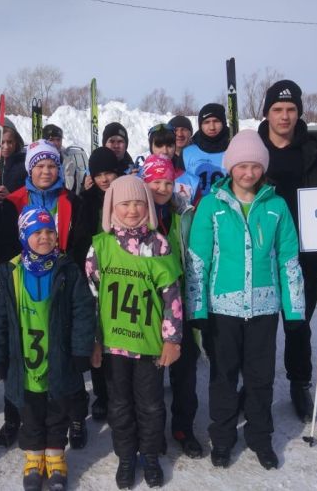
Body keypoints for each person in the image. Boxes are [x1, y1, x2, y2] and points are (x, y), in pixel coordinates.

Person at [186, 129, 305, 470]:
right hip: (223, 310)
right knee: (223, 377)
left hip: (265, 309)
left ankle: (260, 437)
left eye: (255, 166)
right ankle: (222, 439)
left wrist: (294, 309)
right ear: (230, 167)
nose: (248, 173)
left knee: (260, 377)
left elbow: (288, 259)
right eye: (241, 166)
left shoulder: (276, 206)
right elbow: (198, 260)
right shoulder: (211, 205)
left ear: (263, 168)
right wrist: (198, 307)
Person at [0, 206, 95, 491]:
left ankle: (56, 456)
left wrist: (82, 348)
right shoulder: (10, 272)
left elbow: (83, 311)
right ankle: (34, 458)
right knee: (30, 413)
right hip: (23, 362)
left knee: (58, 410)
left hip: (58, 357)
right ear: (24, 235)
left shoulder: (67, 269)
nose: (44, 237)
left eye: (49, 232)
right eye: (37, 233)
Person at [86, 175, 183, 489]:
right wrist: (94, 340)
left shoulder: (159, 244)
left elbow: (172, 296)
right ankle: (126, 457)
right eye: (124, 203)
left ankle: (151, 455)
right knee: (119, 405)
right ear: (112, 206)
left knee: (151, 404)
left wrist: (172, 338)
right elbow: (92, 298)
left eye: (138, 203)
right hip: (115, 345)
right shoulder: (100, 246)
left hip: (148, 345)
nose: (131, 210)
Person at [0, 139, 85, 448]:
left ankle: (75, 417)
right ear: (30, 168)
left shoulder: (71, 201)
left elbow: (80, 243)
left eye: (51, 165)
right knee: (21, 354)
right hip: (25, 284)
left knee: (65, 351)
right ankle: (13, 417)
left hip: (62, 282)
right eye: (40, 165)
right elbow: (4, 248)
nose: (46, 171)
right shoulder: (14, 200)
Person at [257, 79, 317, 422]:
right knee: (257, 325)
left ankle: (298, 382)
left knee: (297, 324)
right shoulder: (252, 149)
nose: (284, 116)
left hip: (303, 254)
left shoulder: (315, 153)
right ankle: (256, 384)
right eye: (278, 109)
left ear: (299, 112)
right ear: (267, 113)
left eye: (291, 109)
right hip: (259, 251)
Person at [139, 154, 202, 459]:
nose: (162, 187)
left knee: (184, 370)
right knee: (150, 377)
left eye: (167, 181)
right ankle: (152, 432)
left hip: (180, 306)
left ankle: (183, 427)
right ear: (144, 182)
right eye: (155, 181)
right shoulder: (135, 214)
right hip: (146, 307)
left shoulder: (183, 214)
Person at [70, 146, 119, 422]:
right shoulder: (86, 201)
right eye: (98, 174)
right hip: (95, 276)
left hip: (124, 274)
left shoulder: (126, 193)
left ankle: (120, 393)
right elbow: (79, 241)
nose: (104, 179)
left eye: (109, 172)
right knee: (99, 337)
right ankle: (101, 394)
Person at [180, 103, 230, 197]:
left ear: (223, 122)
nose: (212, 127)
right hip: (197, 209)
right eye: (206, 122)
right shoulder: (187, 153)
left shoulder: (235, 150)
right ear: (200, 124)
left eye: (216, 121)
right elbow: (181, 187)